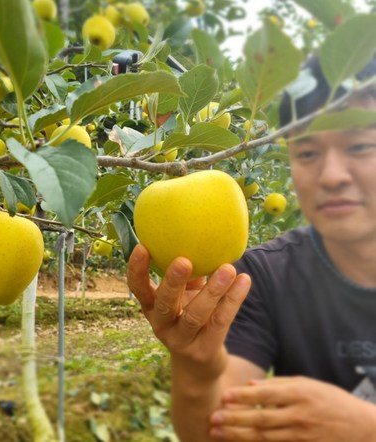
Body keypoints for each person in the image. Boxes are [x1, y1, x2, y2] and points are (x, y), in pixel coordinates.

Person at [127, 54, 376, 442]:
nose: (330, 176)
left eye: (360, 147)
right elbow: (216, 430)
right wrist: (197, 366)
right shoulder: (262, 275)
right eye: (307, 152)